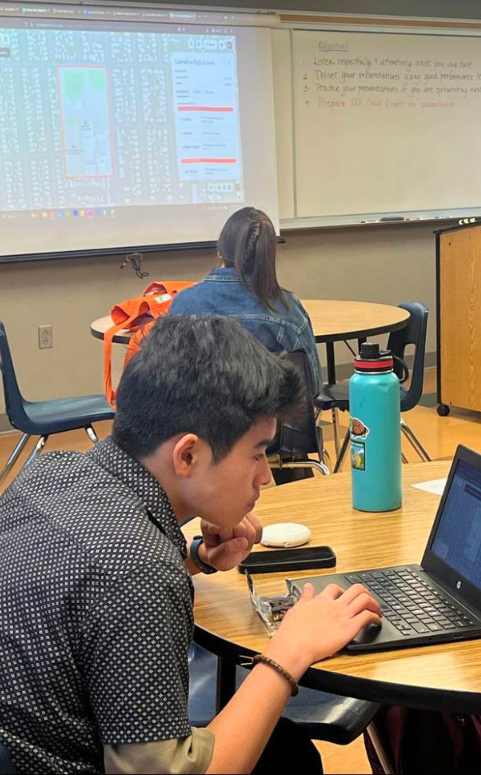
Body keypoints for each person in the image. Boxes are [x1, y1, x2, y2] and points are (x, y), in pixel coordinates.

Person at [0, 316, 381, 774]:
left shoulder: (53, 472)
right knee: (289, 758)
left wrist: (196, 557)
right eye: (257, 453)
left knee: (281, 749)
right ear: (188, 455)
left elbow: (86, 589)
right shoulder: (138, 569)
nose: (265, 477)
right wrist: (291, 649)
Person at [171, 207, 322, 394]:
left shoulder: (183, 304)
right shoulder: (286, 309)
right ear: (269, 254)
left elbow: (169, 380)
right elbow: (312, 385)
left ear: (221, 249)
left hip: (197, 412)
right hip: (266, 411)